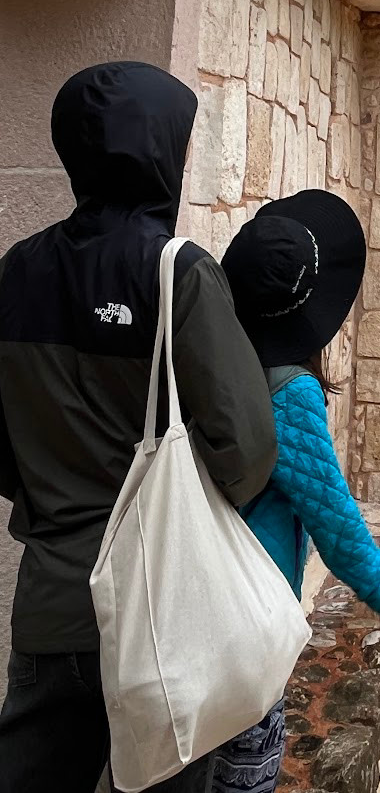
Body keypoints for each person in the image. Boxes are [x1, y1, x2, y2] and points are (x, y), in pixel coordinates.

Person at [0, 62, 278, 793]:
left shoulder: (17, 271)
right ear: (159, 152)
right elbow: (247, 450)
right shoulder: (176, 272)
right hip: (163, 612)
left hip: (52, 603)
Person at [211, 190, 380, 793]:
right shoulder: (288, 391)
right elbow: (330, 511)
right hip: (249, 609)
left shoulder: (218, 363)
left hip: (206, 593)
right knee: (247, 763)